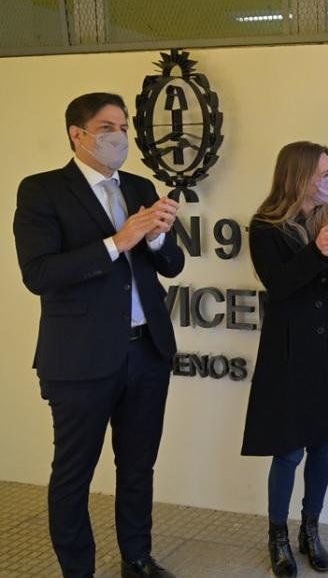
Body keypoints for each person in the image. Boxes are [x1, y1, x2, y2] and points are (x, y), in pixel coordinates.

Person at [13, 92, 184, 578]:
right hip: (79, 361)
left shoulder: (138, 185)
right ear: (78, 134)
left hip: (146, 353)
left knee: (137, 468)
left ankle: (136, 558)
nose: (121, 137)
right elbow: (40, 274)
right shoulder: (42, 191)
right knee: (73, 475)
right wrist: (118, 241)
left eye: (124, 127)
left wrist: (155, 239)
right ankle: (79, 571)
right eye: (109, 127)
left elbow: (171, 265)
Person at [241, 140, 328, 577]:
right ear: (298, 176)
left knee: (324, 443)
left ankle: (311, 530)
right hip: (290, 348)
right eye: (323, 173)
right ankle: (278, 535)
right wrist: (315, 251)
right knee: (288, 451)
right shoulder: (265, 227)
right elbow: (279, 286)